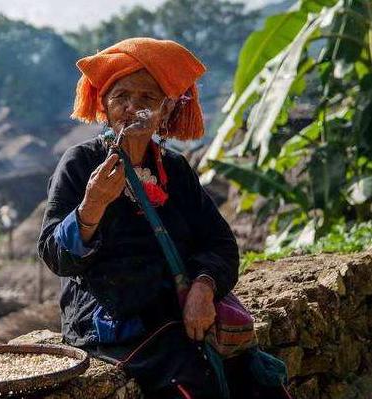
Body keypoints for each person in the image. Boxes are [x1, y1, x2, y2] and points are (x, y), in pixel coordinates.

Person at [38, 37, 290, 399]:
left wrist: (203, 288)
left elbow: (219, 242)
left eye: (147, 100)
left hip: (179, 315)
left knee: (258, 380)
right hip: (116, 326)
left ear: (166, 111)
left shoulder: (175, 169)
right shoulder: (80, 165)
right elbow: (53, 255)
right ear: (104, 107)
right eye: (121, 97)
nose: (131, 108)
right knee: (191, 383)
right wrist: (91, 207)